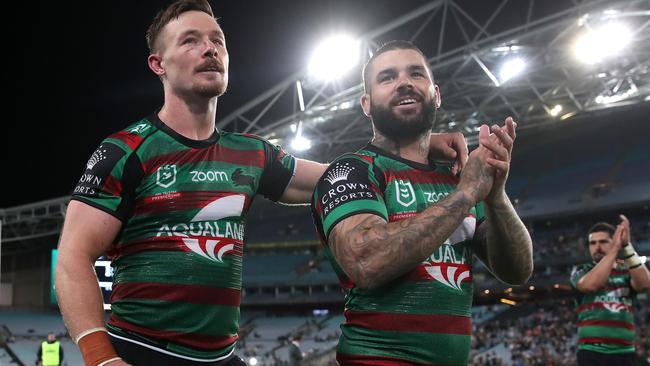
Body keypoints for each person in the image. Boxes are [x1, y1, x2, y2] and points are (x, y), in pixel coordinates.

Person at [53, 2, 468, 366]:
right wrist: (101, 357)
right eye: (190, 41)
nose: (210, 48)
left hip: (221, 356)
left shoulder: (251, 154)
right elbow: (73, 255)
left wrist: (418, 143)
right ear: (158, 64)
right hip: (141, 352)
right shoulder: (127, 149)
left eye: (218, 40)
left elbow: (343, 175)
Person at [311, 40, 533, 365]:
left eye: (416, 73)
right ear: (367, 103)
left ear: (436, 94)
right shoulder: (352, 170)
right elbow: (367, 262)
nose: (404, 82)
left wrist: (496, 195)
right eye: (387, 77)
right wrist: (467, 194)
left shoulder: (457, 176)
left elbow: (517, 271)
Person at [570, 215, 650, 366]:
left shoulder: (626, 269)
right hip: (592, 353)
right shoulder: (581, 270)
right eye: (592, 243)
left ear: (614, 241)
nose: (597, 247)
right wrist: (613, 250)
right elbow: (590, 285)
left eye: (602, 242)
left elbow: (645, 284)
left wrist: (626, 246)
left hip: (625, 353)